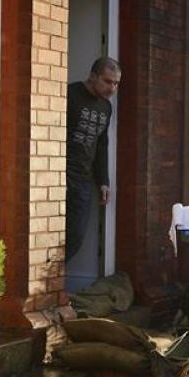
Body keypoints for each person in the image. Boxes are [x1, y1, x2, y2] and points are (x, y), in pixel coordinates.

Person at [65, 57, 121, 262]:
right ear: (93, 76)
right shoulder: (71, 95)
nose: (112, 88)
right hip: (61, 174)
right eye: (108, 81)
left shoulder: (106, 107)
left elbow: (101, 144)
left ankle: (53, 283)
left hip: (82, 180)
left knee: (76, 237)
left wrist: (103, 181)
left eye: (116, 83)